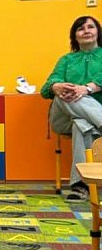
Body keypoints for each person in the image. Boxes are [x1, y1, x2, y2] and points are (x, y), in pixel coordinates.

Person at [42, 15, 102, 200]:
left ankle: (81, 185)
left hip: (88, 120)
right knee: (63, 94)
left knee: (81, 125)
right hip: (63, 118)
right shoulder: (66, 60)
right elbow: (45, 89)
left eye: (90, 27)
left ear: (98, 32)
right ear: (74, 36)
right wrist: (56, 87)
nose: (86, 31)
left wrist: (88, 89)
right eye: (80, 28)